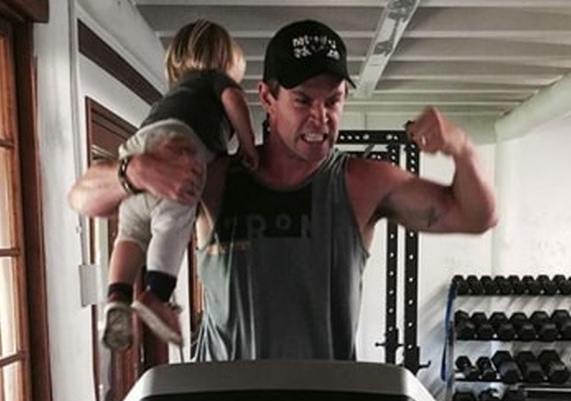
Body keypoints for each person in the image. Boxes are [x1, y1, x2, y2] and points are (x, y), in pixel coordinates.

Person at [69, 19, 497, 360]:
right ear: (267, 99)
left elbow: (476, 216)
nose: (320, 117)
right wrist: (133, 169)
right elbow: (83, 199)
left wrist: (460, 147)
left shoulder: (363, 182)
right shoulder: (216, 177)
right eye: (303, 100)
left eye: (333, 100)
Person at [99, 19, 258, 351]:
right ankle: (157, 294)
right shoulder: (214, 80)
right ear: (223, 63)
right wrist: (247, 144)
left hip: (138, 149)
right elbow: (234, 100)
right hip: (178, 146)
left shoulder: (172, 96)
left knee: (131, 232)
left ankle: (117, 295)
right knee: (174, 219)